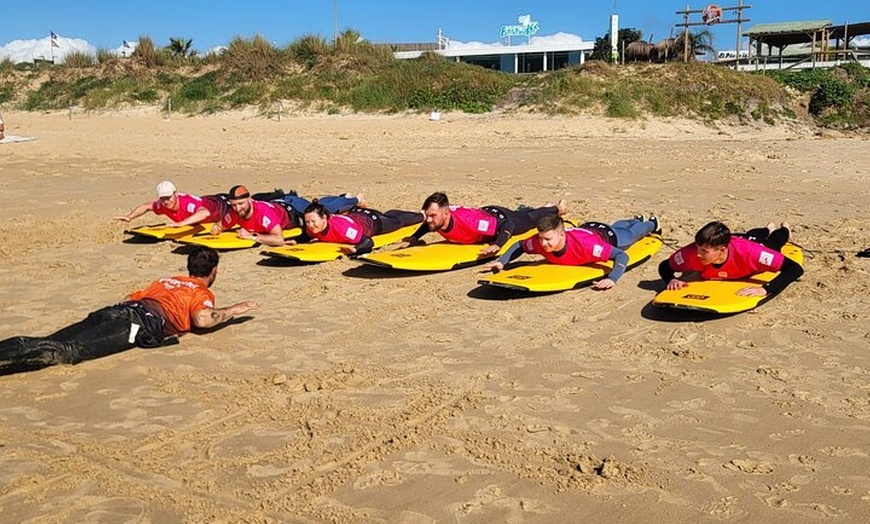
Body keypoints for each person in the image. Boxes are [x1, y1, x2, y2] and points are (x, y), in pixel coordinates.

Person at [0, 247, 258, 375]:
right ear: (213, 272)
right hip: (136, 323)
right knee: (67, 352)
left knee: (53, 340)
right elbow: (203, 319)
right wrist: (233, 310)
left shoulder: (166, 280)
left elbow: (128, 297)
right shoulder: (201, 292)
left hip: (116, 311)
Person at [484, 214, 660, 290]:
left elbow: (622, 255)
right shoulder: (540, 242)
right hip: (588, 227)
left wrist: (612, 279)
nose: (543, 244)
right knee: (621, 225)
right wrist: (502, 262)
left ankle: (651, 223)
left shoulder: (588, 247)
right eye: (541, 239)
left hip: (607, 235)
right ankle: (634, 218)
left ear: (562, 235)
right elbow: (520, 245)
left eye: (548, 239)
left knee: (632, 234)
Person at [658, 221, 804, 297]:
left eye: (704, 251)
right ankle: (767, 228)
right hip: (738, 239)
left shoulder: (753, 253)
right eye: (698, 247)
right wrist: (671, 279)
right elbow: (664, 266)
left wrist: (766, 289)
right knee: (750, 233)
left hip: (754, 244)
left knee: (774, 243)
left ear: (721, 250)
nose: (698, 254)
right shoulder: (690, 253)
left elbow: (795, 269)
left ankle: (784, 228)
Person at [407, 192, 568, 255]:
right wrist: (414, 238)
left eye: (433, 215)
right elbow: (428, 226)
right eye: (427, 215)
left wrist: (498, 244)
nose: (428, 220)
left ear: (446, 213)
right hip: (484, 213)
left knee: (529, 220)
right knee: (525, 214)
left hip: (501, 217)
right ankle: (546, 208)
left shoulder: (471, 222)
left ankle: (557, 208)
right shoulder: (437, 219)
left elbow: (507, 225)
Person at [210, 185, 363, 248]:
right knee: (320, 203)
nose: (237, 209)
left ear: (250, 200)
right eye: (234, 205)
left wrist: (252, 237)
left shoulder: (265, 214)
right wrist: (217, 227)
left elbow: (279, 239)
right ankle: (343, 196)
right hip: (278, 201)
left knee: (323, 209)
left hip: (293, 208)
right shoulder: (235, 212)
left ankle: (356, 199)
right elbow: (219, 226)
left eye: (241, 204)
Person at [291, 201, 423, 255]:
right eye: (307, 222)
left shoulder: (343, 229)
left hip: (372, 221)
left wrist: (354, 249)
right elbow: (306, 235)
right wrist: (295, 241)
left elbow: (368, 242)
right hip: (355, 214)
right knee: (389, 215)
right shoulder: (312, 228)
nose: (310, 225)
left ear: (324, 218)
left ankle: (421, 215)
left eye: (313, 222)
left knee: (397, 222)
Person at [115, 181, 229, 227]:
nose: (166, 202)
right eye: (163, 198)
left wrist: (181, 223)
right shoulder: (163, 205)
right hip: (209, 202)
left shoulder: (188, 204)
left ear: (175, 194)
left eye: (168, 197)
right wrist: (130, 217)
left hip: (221, 205)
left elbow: (204, 212)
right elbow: (146, 206)